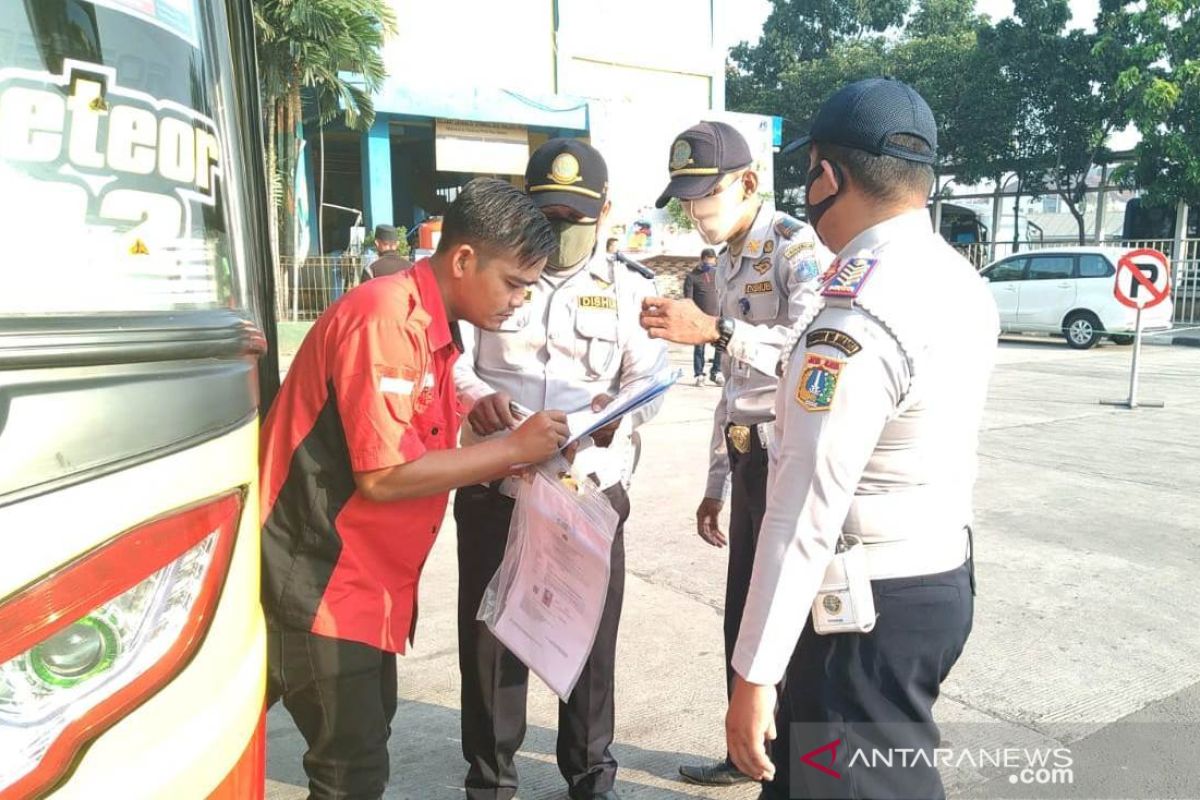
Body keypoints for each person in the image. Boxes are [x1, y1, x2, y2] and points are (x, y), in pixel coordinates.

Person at [724, 78, 999, 800]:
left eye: (808, 172)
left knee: (860, 782)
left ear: (828, 174)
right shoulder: (956, 278)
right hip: (935, 577)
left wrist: (752, 675)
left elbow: (803, 510)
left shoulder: (856, 314)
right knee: (825, 781)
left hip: (861, 609)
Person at [259, 178, 566, 800]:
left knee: (366, 748)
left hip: (368, 586)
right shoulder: (385, 318)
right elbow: (384, 475)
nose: (518, 302)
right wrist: (509, 450)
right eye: (513, 283)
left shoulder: (432, 327)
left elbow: (414, 432)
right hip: (322, 579)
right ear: (462, 260)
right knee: (350, 774)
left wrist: (483, 421)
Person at [454, 139, 668, 800]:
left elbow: (653, 376)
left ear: (602, 213)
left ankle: (590, 777)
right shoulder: (492, 275)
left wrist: (615, 415)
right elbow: (453, 359)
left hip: (589, 490)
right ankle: (490, 782)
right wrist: (478, 398)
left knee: (587, 642)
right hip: (499, 486)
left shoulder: (629, 288)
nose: (560, 234)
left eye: (574, 221)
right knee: (492, 645)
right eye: (547, 218)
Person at [639, 120, 832, 787]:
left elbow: (809, 355)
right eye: (686, 199)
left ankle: (790, 764)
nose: (695, 212)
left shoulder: (794, 246)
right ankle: (744, 747)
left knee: (789, 615)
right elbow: (733, 387)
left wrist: (718, 328)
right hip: (748, 455)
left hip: (789, 457)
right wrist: (715, 481)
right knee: (743, 615)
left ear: (749, 182)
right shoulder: (722, 260)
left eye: (706, 195)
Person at [682, 247, 723, 387]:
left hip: (718, 318)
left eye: (712, 264)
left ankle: (716, 372)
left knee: (720, 347)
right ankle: (699, 374)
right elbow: (688, 300)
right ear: (701, 260)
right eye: (707, 263)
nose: (709, 266)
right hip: (700, 319)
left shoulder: (718, 274)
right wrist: (692, 318)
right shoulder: (692, 277)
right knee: (699, 348)